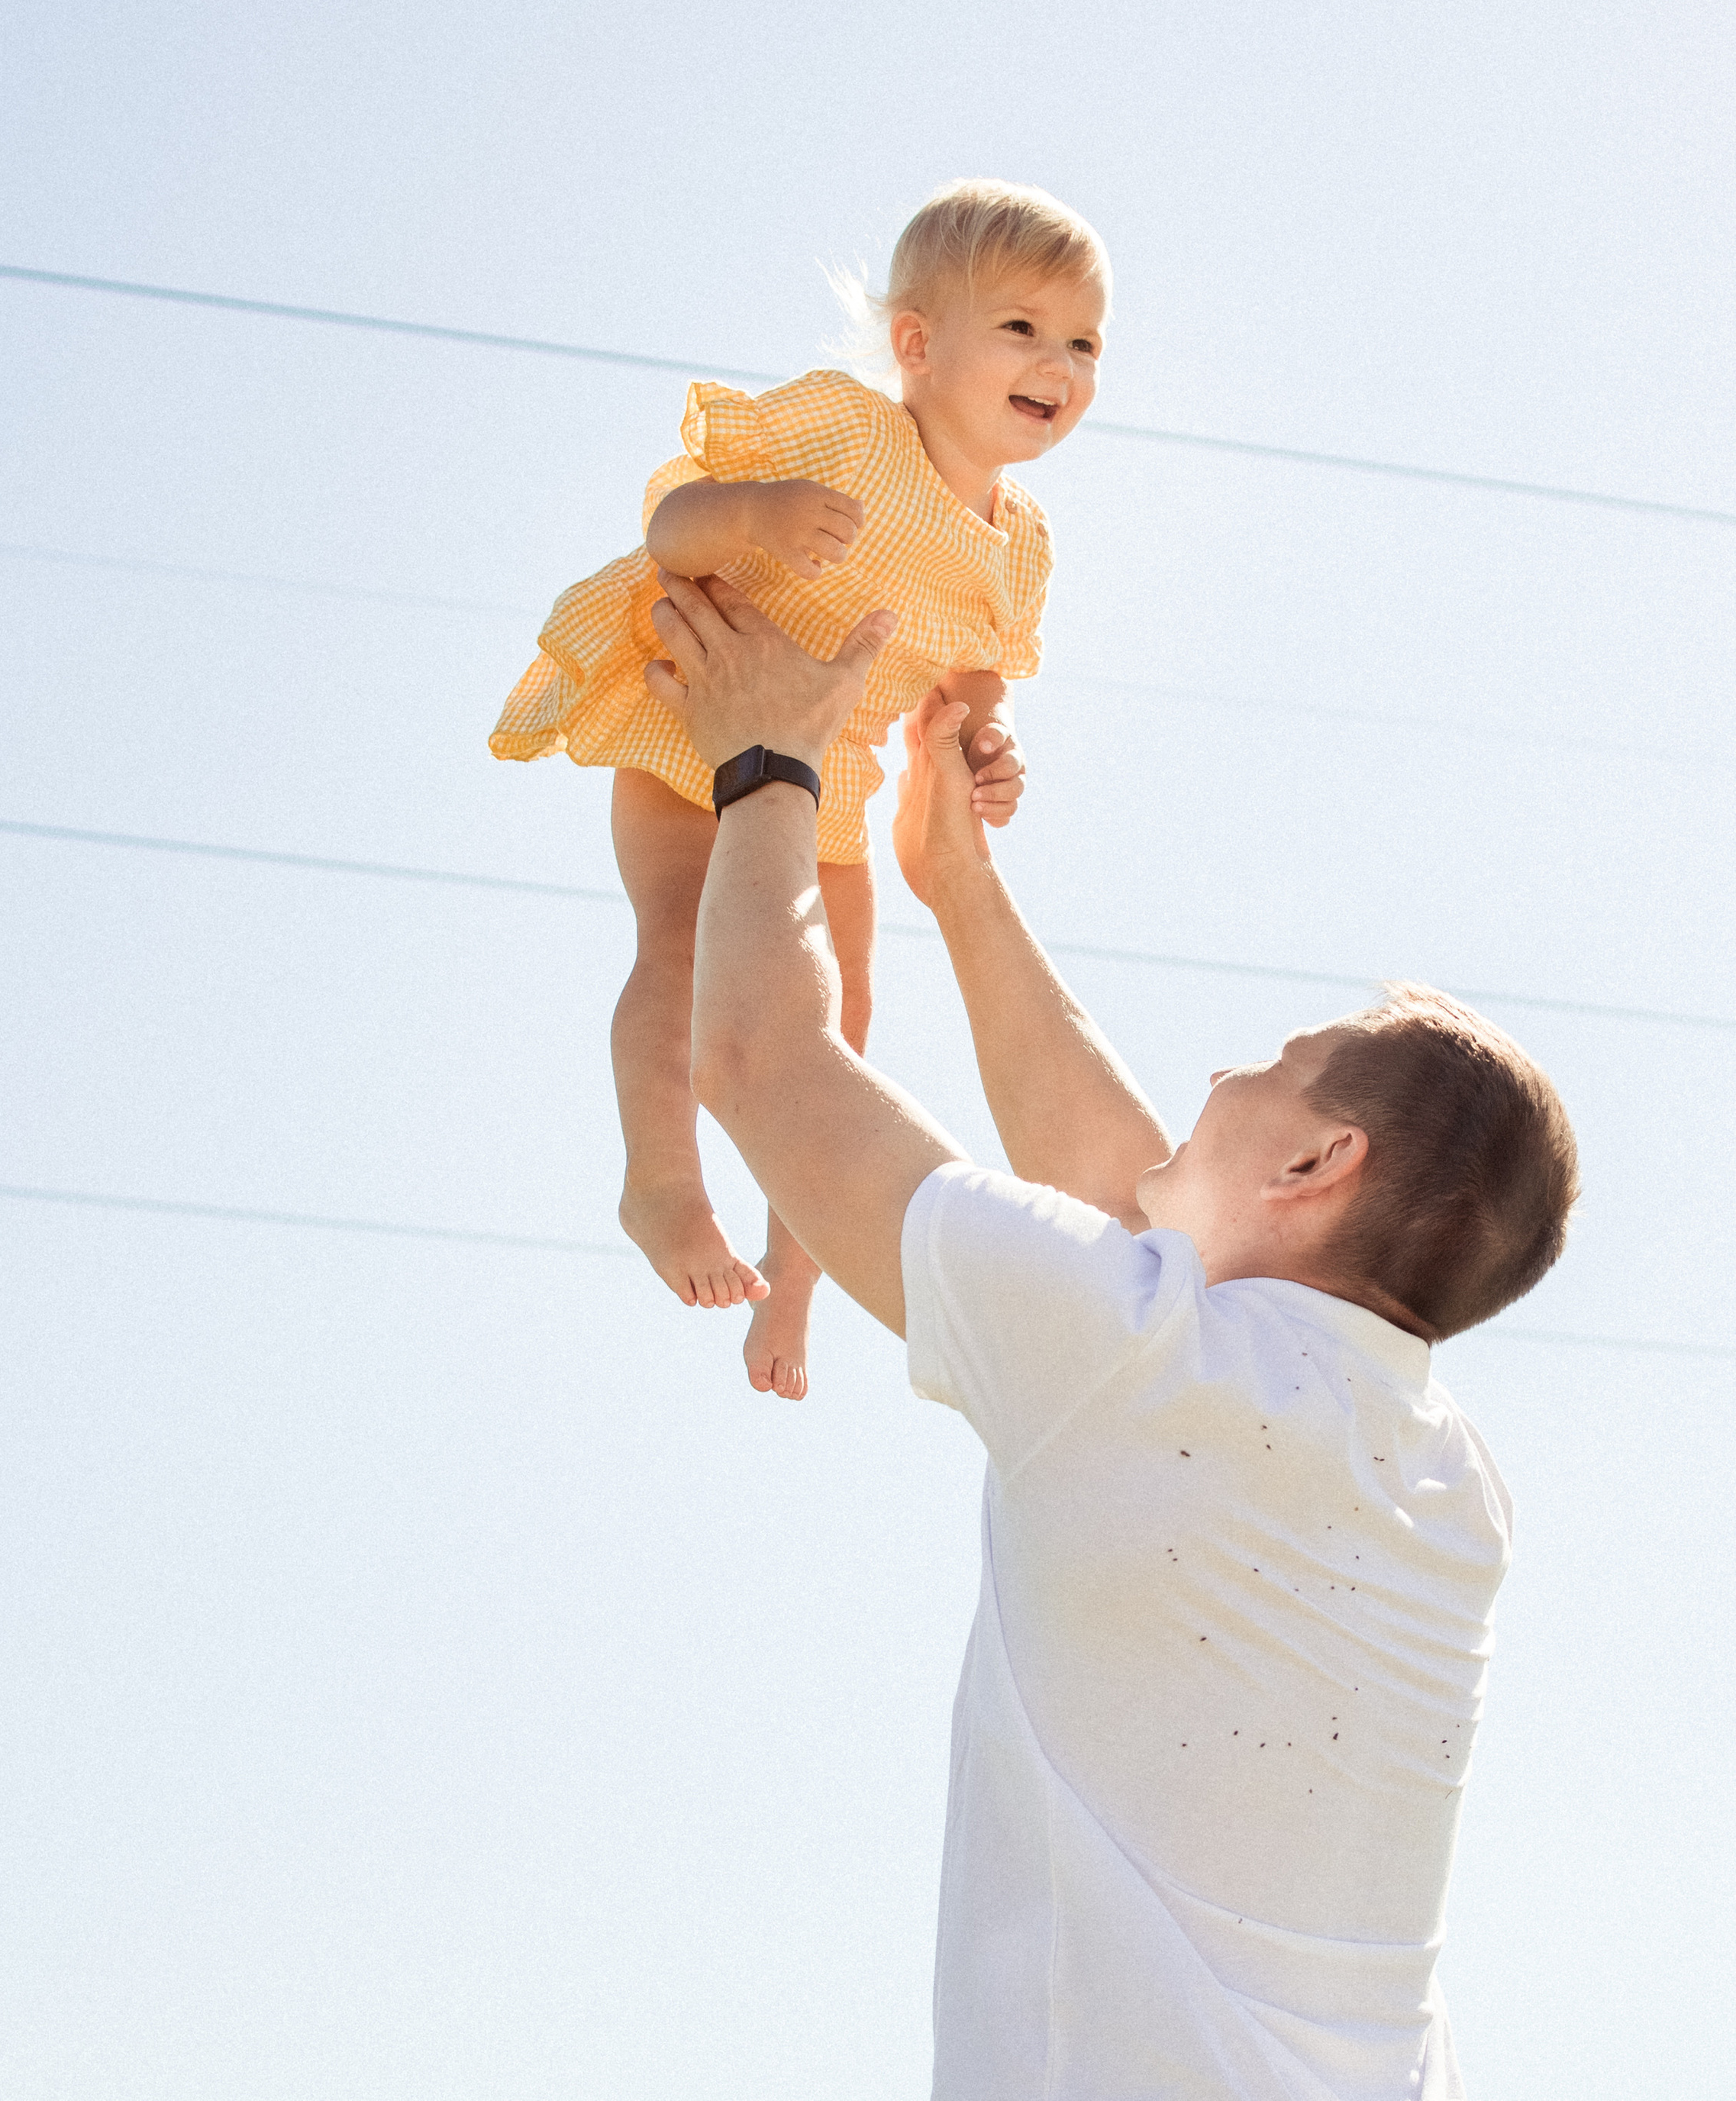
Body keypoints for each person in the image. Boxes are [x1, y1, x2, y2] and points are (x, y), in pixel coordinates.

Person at [644, 564, 1579, 2101]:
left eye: (1273, 1064)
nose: (1218, 1076)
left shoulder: (1145, 1366)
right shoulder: (1440, 1480)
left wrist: (767, 758)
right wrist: (956, 884)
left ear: (1315, 1161)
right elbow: (1142, 1236)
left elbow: (758, 1064)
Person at [490, 179, 1110, 1399]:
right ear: (918, 344)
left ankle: (798, 1273)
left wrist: (987, 737)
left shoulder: (1021, 542)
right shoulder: (845, 434)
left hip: (828, 777)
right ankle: (661, 1179)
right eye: (1023, 328)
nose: (1061, 363)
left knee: (840, 1016)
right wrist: (757, 515)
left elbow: (979, 673)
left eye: (1085, 343)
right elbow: (675, 523)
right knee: (685, 946)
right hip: (694, 719)